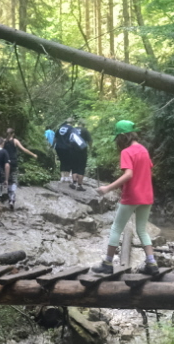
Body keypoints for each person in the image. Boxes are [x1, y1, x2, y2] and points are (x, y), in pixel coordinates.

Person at [92, 120, 159, 275]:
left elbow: (129, 174)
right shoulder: (143, 150)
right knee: (141, 229)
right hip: (147, 195)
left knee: (116, 228)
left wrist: (107, 188)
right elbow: (148, 170)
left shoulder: (126, 152)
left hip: (132, 195)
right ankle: (152, 263)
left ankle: (107, 263)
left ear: (122, 137)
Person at [3, 128, 38, 210]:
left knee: (7, 180)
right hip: (13, 163)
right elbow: (23, 149)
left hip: (5, 163)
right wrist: (33, 154)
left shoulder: (3, 141)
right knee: (14, 180)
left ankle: (9, 196)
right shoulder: (15, 141)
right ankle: (12, 198)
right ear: (13, 134)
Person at [70, 120, 93, 191]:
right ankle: (79, 185)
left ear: (78, 124)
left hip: (73, 150)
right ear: (84, 124)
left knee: (74, 166)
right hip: (82, 151)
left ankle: (74, 183)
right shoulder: (85, 130)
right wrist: (90, 148)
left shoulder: (73, 130)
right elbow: (90, 141)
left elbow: (69, 140)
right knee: (81, 167)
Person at [54, 118, 76, 183]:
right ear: (72, 123)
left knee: (62, 161)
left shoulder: (60, 128)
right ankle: (67, 177)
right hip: (67, 147)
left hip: (58, 147)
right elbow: (73, 139)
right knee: (68, 161)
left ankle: (62, 177)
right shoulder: (72, 129)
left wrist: (53, 145)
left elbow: (55, 138)